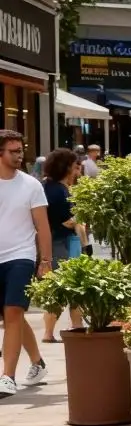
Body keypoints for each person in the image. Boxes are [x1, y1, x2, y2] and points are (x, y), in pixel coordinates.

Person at [0, 130, 51, 396]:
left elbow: (42, 225)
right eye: (13, 151)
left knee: (13, 312)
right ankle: (38, 362)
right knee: (13, 317)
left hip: (20, 255)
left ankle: (7, 376)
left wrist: (45, 260)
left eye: (21, 150)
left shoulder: (31, 185)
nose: (19, 155)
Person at [40, 149, 85, 343]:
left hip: (54, 241)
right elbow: (68, 220)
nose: (76, 170)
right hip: (63, 242)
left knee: (62, 286)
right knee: (69, 285)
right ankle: (61, 330)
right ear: (66, 167)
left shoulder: (46, 185)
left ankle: (73, 327)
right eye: (75, 166)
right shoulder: (59, 190)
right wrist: (80, 219)